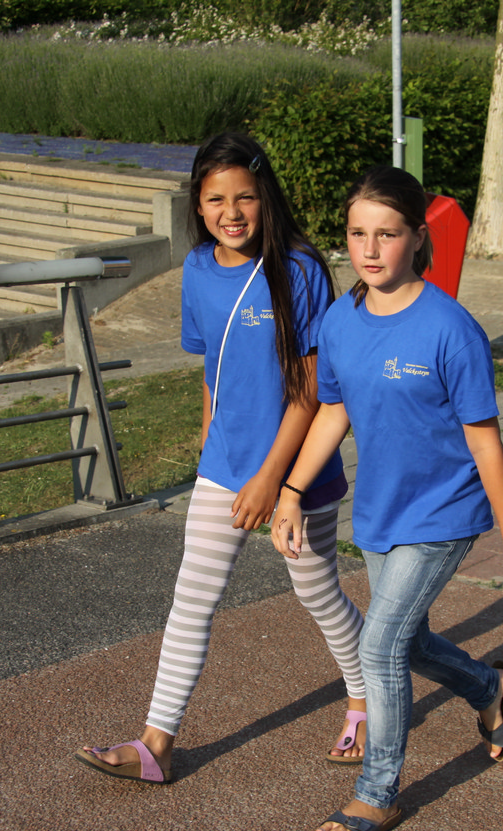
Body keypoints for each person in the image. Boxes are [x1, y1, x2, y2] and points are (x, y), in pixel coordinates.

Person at [75, 132, 367, 784]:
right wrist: (210, 443)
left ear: (266, 197)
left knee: (317, 592)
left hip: (296, 473)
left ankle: (364, 697)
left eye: (244, 197)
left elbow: (311, 390)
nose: (230, 212)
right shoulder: (198, 270)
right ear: (198, 204)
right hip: (224, 466)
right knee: (191, 600)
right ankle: (156, 744)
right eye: (215, 200)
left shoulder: (299, 270)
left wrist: (273, 481)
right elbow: (214, 363)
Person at [271, 165, 503, 831]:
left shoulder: (451, 329)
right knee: (409, 640)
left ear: (418, 238)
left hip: (443, 512)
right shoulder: (340, 319)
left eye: (387, 234)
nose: (369, 250)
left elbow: (485, 443)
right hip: (381, 512)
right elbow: (332, 413)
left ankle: (376, 794)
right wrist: (291, 491)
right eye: (357, 234)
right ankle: (487, 688)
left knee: (380, 645)